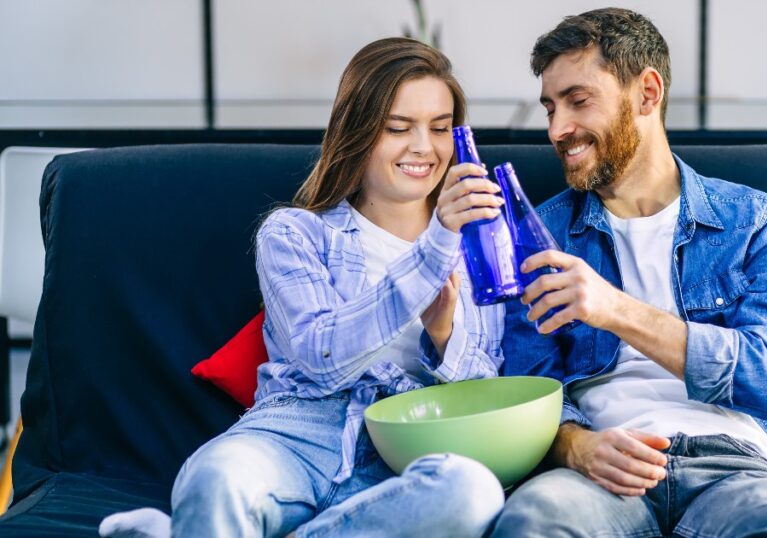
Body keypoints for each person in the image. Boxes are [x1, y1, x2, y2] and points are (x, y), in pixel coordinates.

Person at [98, 37, 506, 538]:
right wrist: (433, 248)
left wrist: (444, 338)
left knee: (472, 491)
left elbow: (489, 393)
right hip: (297, 433)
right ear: (358, 132)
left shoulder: (481, 241)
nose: (424, 147)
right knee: (216, 480)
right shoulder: (295, 233)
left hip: (404, 448)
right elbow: (320, 355)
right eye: (399, 127)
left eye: (440, 128)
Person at [493, 8, 767, 537]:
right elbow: (527, 387)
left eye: (578, 101)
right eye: (550, 108)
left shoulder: (758, 224)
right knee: (534, 520)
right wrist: (576, 446)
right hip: (601, 471)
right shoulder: (537, 236)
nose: (558, 129)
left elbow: (766, 380)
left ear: (648, 93)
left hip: (738, 465)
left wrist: (615, 308)